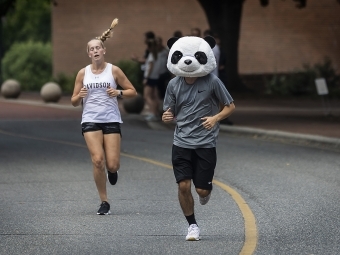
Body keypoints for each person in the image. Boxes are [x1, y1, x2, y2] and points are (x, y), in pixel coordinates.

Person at [162, 36, 235, 240]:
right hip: (181, 142)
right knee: (183, 185)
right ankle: (192, 226)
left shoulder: (212, 81)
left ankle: (205, 190)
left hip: (205, 143)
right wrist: (166, 116)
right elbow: (169, 111)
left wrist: (216, 118)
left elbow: (230, 106)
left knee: (202, 191)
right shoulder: (173, 84)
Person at [71, 20, 137, 215]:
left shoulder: (113, 70)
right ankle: (104, 201)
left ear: (104, 50)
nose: (96, 51)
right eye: (92, 49)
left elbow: (133, 91)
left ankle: (113, 171)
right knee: (97, 160)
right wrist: (79, 96)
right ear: (89, 53)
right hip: (90, 119)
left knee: (112, 163)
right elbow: (74, 101)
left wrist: (119, 93)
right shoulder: (83, 73)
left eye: (98, 47)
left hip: (111, 119)